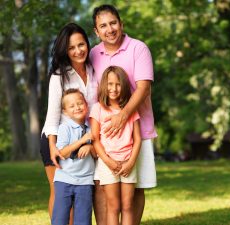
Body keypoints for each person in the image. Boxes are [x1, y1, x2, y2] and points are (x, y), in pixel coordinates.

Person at [90, 4, 157, 225]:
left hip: (138, 130)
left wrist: (123, 115)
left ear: (121, 24)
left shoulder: (138, 48)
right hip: (105, 137)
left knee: (136, 189)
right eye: (103, 25)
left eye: (113, 23)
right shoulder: (93, 54)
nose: (109, 29)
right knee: (102, 187)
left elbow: (144, 87)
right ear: (96, 31)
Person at [40, 22, 98, 223]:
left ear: (87, 44)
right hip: (57, 140)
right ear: (65, 51)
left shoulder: (95, 71)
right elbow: (52, 116)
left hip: (87, 138)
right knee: (60, 194)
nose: (77, 51)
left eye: (81, 45)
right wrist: (53, 147)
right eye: (71, 47)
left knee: (82, 195)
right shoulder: (59, 76)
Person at [90, 66, 141, 225]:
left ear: (124, 86)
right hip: (107, 163)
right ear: (104, 85)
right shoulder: (98, 108)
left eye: (118, 84)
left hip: (128, 163)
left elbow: (137, 139)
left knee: (127, 206)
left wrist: (131, 162)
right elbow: (95, 139)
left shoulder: (130, 110)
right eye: (110, 84)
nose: (114, 88)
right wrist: (108, 161)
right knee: (113, 206)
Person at [52, 88, 95, 225]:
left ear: (86, 105)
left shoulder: (91, 129)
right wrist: (82, 141)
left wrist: (90, 146)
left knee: (83, 220)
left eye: (80, 103)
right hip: (64, 179)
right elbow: (63, 153)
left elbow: (97, 153)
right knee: (60, 219)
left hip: (85, 181)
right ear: (65, 111)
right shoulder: (65, 128)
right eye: (71, 106)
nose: (77, 107)